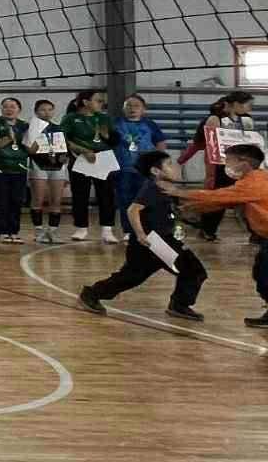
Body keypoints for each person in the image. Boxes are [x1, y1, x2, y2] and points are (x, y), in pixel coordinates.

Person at [78, 151, 204, 320]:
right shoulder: (152, 188)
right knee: (192, 270)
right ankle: (179, 305)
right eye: (169, 164)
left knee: (133, 276)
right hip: (152, 242)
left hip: (160, 241)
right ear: (155, 171)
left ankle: (93, 293)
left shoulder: (167, 189)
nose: (174, 167)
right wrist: (140, 234)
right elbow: (133, 210)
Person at [166, 141, 268, 327]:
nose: (225, 166)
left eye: (228, 161)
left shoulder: (254, 183)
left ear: (244, 162)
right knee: (261, 274)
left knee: (264, 276)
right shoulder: (252, 182)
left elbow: (218, 196)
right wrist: (192, 207)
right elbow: (224, 202)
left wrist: (180, 192)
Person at [178, 91, 255, 243]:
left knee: (249, 198)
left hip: (241, 165)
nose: (250, 108)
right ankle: (207, 229)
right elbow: (201, 144)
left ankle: (257, 233)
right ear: (236, 104)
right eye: (248, 104)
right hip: (220, 165)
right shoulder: (214, 119)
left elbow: (251, 142)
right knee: (217, 200)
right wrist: (180, 161)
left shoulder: (247, 120)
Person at [64, 88, 118, 245]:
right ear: (86, 102)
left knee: (106, 195)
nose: (101, 103)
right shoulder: (70, 118)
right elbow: (64, 139)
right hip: (80, 159)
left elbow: (115, 140)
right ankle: (81, 228)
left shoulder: (104, 118)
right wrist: (83, 150)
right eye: (98, 100)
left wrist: (108, 136)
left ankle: (107, 230)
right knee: (80, 194)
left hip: (103, 159)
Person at [111, 93, 164, 238]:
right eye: (129, 105)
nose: (132, 108)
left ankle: (146, 229)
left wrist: (158, 162)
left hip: (145, 170)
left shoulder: (150, 124)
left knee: (145, 200)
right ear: (123, 108)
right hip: (123, 169)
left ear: (143, 109)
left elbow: (160, 143)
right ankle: (128, 231)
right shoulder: (115, 124)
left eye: (136, 106)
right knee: (125, 201)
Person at [0, 97, 29, 244]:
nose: (9, 109)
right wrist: (8, 138)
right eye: (5, 106)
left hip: (19, 168)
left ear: (19, 109)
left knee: (16, 201)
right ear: (1, 109)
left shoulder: (25, 126)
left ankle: (14, 232)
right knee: (0, 201)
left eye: (12, 106)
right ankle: (2, 232)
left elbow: (30, 147)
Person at [26, 98, 69, 243]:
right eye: (43, 110)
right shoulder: (31, 127)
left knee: (56, 200)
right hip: (38, 164)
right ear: (36, 112)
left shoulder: (58, 128)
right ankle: (38, 231)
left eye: (50, 109)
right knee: (38, 199)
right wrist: (40, 140)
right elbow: (29, 149)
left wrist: (64, 157)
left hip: (57, 166)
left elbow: (64, 148)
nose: (47, 112)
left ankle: (53, 232)